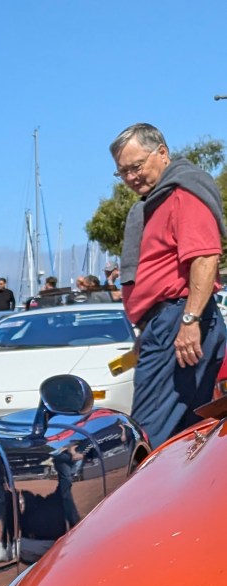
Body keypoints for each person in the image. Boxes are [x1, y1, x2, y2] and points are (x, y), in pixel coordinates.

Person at [111, 121, 226, 447]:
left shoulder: (183, 194)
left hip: (180, 319)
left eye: (136, 167)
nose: (131, 177)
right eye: (122, 172)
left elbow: (205, 257)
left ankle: (142, 484)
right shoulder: (157, 201)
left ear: (162, 153)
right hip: (168, 322)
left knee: (146, 437)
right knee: (187, 439)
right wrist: (148, 329)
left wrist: (188, 321)